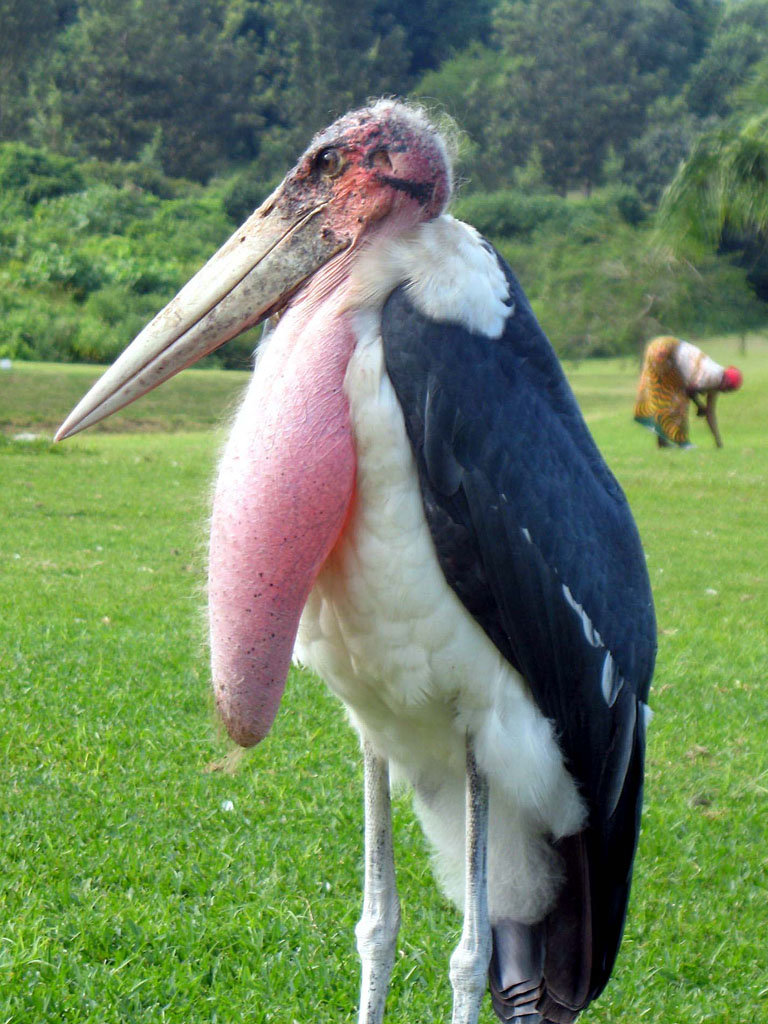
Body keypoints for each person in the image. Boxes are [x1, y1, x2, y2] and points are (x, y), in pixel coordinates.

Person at [634, 336, 743, 448]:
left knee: (665, 397)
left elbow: (709, 412)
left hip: (661, 345)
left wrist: (718, 442)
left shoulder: (717, 378)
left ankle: (663, 442)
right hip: (666, 350)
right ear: (726, 383)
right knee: (678, 400)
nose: (726, 392)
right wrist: (699, 405)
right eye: (728, 389)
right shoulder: (712, 377)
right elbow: (688, 390)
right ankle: (681, 442)